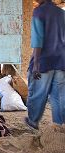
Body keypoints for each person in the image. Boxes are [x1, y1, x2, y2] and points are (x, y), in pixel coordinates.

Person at [25, 0, 65, 129]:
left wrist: (36, 65)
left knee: (37, 93)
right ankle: (59, 125)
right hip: (61, 61)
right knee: (58, 96)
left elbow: (38, 39)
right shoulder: (61, 13)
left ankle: (33, 122)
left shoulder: (39, 11)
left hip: (44, 61)